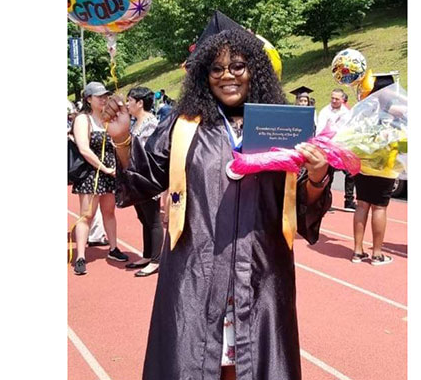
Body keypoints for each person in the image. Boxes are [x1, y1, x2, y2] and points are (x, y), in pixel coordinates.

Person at [103, 29, 332, 380]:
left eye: (238, 65)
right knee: (195, 362)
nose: (227, 75)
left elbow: (301, 206)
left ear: (255, 69)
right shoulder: (184, 126)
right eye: (216, 68)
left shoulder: (281, 127)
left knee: (252, 365)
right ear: (202, 76)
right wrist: (121, 138)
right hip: (197, 271)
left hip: (260, 271)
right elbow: (144, 178)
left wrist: (317, 175)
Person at [70, 82, 129, 275]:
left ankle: (113, 248)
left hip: (109, 174)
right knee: (86, 215)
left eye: (105, 96)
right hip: (91, 174)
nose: (104, 99)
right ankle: (80, 256)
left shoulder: (108, 119)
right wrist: (104, 168)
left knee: (109, 212)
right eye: (99, 97)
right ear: (88, 99)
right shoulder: (83, 120)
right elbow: (84, 148)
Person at [350, 76, 405, 266]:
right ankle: (377, 254)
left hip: (362, 162)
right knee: (379, 207)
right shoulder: (396, 111)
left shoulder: (364, 109)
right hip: (384, 164)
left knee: (362, 204)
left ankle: (357, 251)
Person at [124, 86, 163, 278]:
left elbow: (154, 152)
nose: (127, 104)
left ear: (140, 103)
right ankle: (147, 255)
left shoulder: (151, 123)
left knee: (154, 219)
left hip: (148, 178)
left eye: (130, 100)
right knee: (143, 218)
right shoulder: (136, 123)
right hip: (135, 177)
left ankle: (156, 260)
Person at [317, 89, 357, 211]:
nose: (334, 101)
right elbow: (320, 131)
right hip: (328, 148)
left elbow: (351, 129)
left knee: (351, 173)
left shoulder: (347, 113)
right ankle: (326, 201)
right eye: (332, 98)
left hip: (343, 148)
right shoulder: (325, 111)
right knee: (329, 175)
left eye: (337, 99)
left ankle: (349, 201)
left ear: (343, 100)